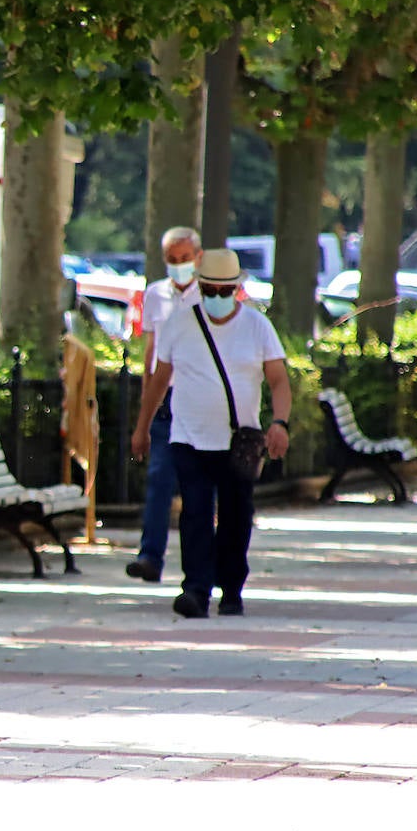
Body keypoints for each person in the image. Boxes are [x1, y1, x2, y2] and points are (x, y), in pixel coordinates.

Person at [131, 248, 291, 619]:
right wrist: (142, 427)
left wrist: (279, 422)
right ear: (199, 287)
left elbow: (279, 381)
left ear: (237, 290)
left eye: (225, 292)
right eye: (209, 292)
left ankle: (231, 589)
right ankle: (196, 589)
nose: (216, 300)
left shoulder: (257, 327)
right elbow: (159, 382)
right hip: (188, 437)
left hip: (239, 443)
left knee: (236, 516)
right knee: (196, 514)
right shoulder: (178, 323)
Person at [125, 226, 202, 584]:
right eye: (172, 260)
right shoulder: (155, 295)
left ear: (198, 257)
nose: (178, 265)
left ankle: (200, 564)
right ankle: (150, 556)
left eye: (185, 259)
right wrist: (144, 416)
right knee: (159, 479)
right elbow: (151, 355)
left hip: (201, 399)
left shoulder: (213, 295)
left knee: (200, 486)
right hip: (166, 399)